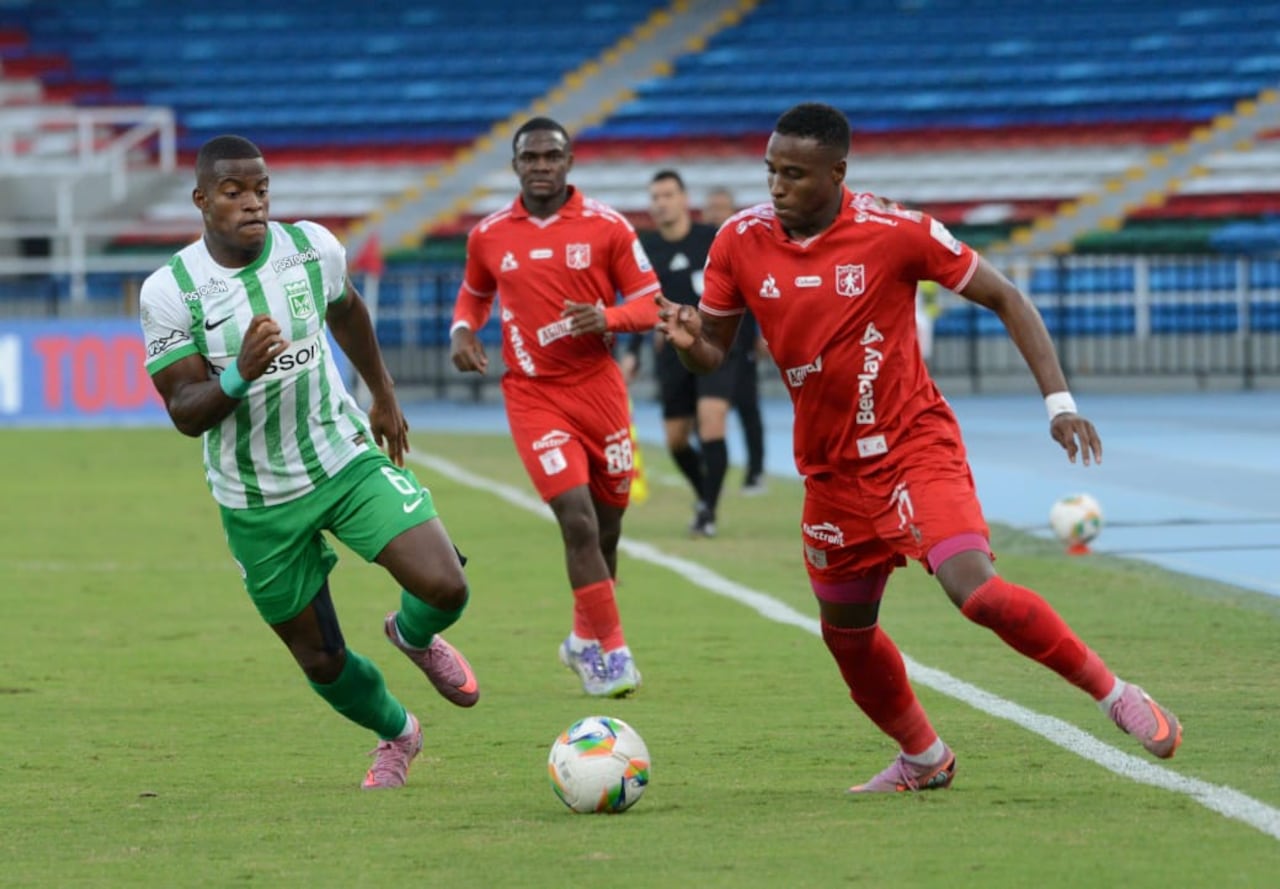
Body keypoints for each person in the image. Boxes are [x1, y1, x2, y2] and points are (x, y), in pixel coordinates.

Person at [656, 103, 1182, 793]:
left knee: (977, 593)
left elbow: (1006, 297)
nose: (777, 187)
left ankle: (1115, 692)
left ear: (837, 173)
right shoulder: (737, 241)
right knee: (845, 634)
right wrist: (693, 341)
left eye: (793, 173)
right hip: (829, 469)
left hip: (911, 443)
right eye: (771, 171)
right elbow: (716, 352)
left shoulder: (895, 231)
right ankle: (925, 756)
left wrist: (1060, 404)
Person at [139, 135, 479, 791]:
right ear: (202, 200)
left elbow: (347, 310)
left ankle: (412, 635)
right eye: (234, 192)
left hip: (341, 457)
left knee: (446, 585)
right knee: (320, 658)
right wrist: (239, 375)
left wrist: (382, 393)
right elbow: (185, 409)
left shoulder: (311, 247)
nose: (252, 203)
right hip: (256, 499)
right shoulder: (170, 290)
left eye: (260, 189)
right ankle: (398, 732)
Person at [450, 117, 659, 698]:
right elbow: (475, 290)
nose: (541, 165)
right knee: (577, 518)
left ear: (568, 163)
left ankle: (582, 641)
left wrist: (608, 318)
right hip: (533, 394)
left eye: (551, 156)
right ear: (516, 166)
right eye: (530, 157)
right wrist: (463, 330)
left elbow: (649, 303)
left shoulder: (607, 227)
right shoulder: (488, 235)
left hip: (599, 389)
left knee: (609, 527)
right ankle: (614, 656)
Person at [636, 169, 736, 536]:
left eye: (667, 195)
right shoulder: (646, 249)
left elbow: (738, 284)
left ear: (683, 199)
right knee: (676, 439)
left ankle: (708, 511)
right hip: (670, 351)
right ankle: (703, 494)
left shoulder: (710, 240)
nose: (661, 203)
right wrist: (632, 349)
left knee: (712, 420)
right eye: (655, 197)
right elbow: (640, 300)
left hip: (714, 346)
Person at [703, 185, 767, 495]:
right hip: (711, 343)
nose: (715, 213)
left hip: (742, 342)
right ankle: (714, 471)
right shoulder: (701, 244)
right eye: (711, 207)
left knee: (747, 407)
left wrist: (761, 335)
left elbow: (758, 295)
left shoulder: (746, 247)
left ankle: (755, 471)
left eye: (721, 207)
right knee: (707, 411)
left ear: (732, 212)